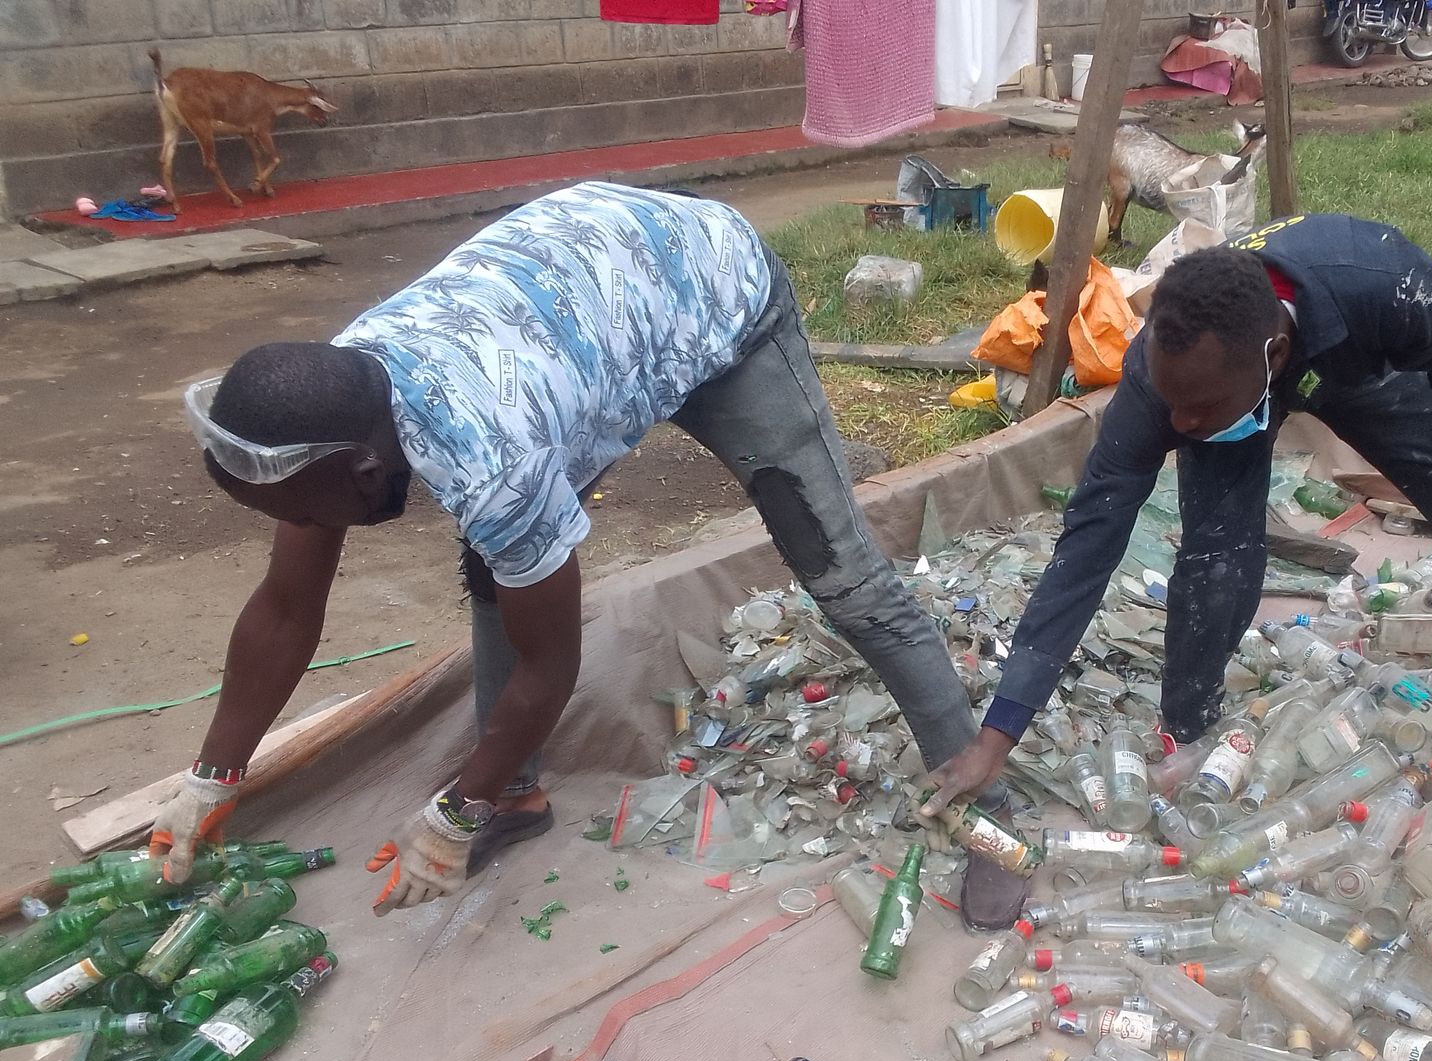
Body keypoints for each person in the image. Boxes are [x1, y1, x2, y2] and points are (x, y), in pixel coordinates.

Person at [151, 182, 1025, 927]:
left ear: (365, 469)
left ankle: (986, 809)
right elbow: (284, 608)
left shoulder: (489, 459)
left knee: (840, 571)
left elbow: (549, 661)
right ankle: (516, 795)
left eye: (304, 517)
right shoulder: (328, 400)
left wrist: (453, 813)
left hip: (712, 291)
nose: (300, 532)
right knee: (500, 561)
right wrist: (215, 776)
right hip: (586, 313)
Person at [925, 214, 1432, 831]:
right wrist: (999, 732)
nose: (1179, 426)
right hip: (1245, 380)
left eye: (1196, 409)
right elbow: (1088, 547)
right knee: (1216, 562)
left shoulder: (1382, 279)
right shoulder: (1164, 383)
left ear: (1274, 358)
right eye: (1172, 405)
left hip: (1354, 359)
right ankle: (1189, 730)